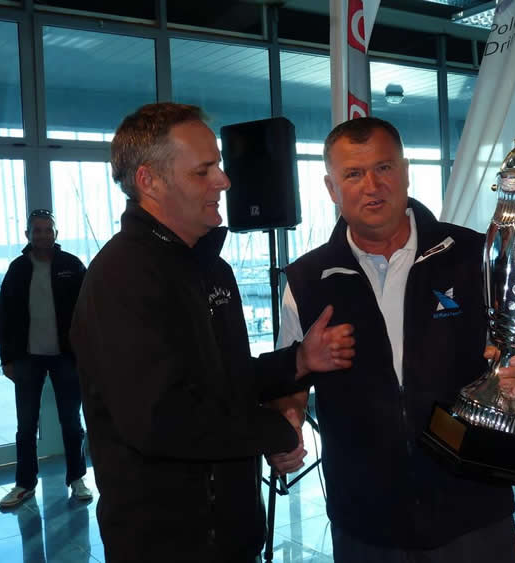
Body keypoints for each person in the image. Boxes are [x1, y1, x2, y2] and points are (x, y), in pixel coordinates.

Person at [69, 102, 355, 563]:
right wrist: (272, 432)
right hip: (166, 544)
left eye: (218, 166)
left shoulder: (211, 269)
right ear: (149, 181)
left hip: (231, 534)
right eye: (203, 171)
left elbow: (225, 380)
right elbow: (161, 419)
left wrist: (298, 360)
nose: (223, 181)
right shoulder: (121, 278)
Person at [268, 117, 515, 562]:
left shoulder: (473, 255)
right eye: (353, 174)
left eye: (384, 168)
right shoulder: (306, 280)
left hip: (473, 507)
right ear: (331, 187)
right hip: (367, 519)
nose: (372, 186)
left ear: (406, 171)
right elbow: (291, 379)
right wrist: (288, 423)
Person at [0, 209, 91, 508]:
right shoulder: (17, 269)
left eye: (48, 229)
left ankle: (77, 478)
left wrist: (86, 352)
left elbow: (88, 310)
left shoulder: (72, 266)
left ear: (56, 233)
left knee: (71, 422)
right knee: (26, 426)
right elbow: (4, 315)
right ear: (28, 234)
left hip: (66, 357)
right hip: (27, 359)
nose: (42, 235)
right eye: (37, 230)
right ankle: (24, 484)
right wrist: (7, 359)